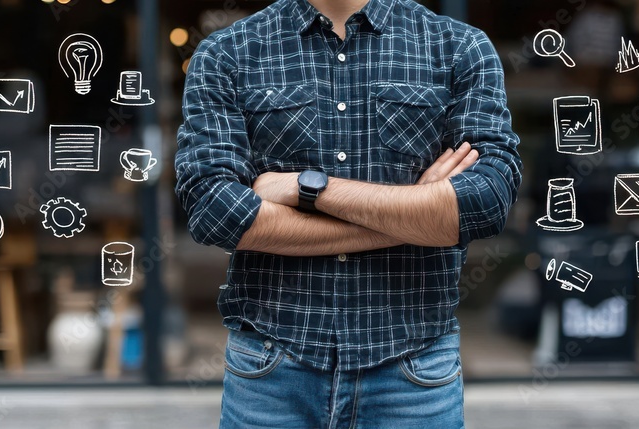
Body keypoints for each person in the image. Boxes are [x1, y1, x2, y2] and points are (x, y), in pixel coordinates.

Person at [175, 0, 521, 427]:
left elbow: (485, 202)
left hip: (413, 373)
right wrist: (419, 213)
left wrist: (307, 189)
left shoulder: (457, 47)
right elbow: (215, 210)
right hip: (270, 370)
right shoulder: (228, 53)